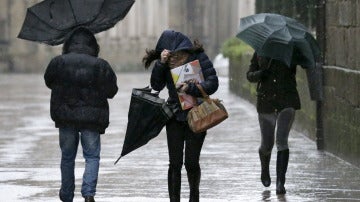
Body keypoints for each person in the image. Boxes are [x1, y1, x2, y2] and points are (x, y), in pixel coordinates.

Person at [143, 30, 218, 202]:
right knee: (174, 164)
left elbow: (213, 83)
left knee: (191, 162)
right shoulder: (165, 64)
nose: (174, 59)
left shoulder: (199, 58)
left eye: (176, 54)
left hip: (197, 115)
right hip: (175, 117)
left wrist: (191, 88)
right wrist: (161, 64)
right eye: (169, 55)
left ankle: (194, 196)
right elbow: (156, 85)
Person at [44, 27, 118, 202]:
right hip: (92, 118)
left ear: (68, 43)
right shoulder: (100, 65)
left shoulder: (58, 62)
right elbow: (112, 91)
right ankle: (88, 194)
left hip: (65, 116)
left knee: (67, 157)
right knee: (92, 156)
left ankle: (67, 194)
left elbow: (49, 81)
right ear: (93, 45)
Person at [246, 52, 301, 195]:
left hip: (287, 100)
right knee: (267, 144)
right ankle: (265, 169)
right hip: (266, 102)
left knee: (282, 141)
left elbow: (304, 64)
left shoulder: (291, 50)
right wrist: (260, 74)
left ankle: (280, 182)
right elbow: (249, 75)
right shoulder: (260, 50)